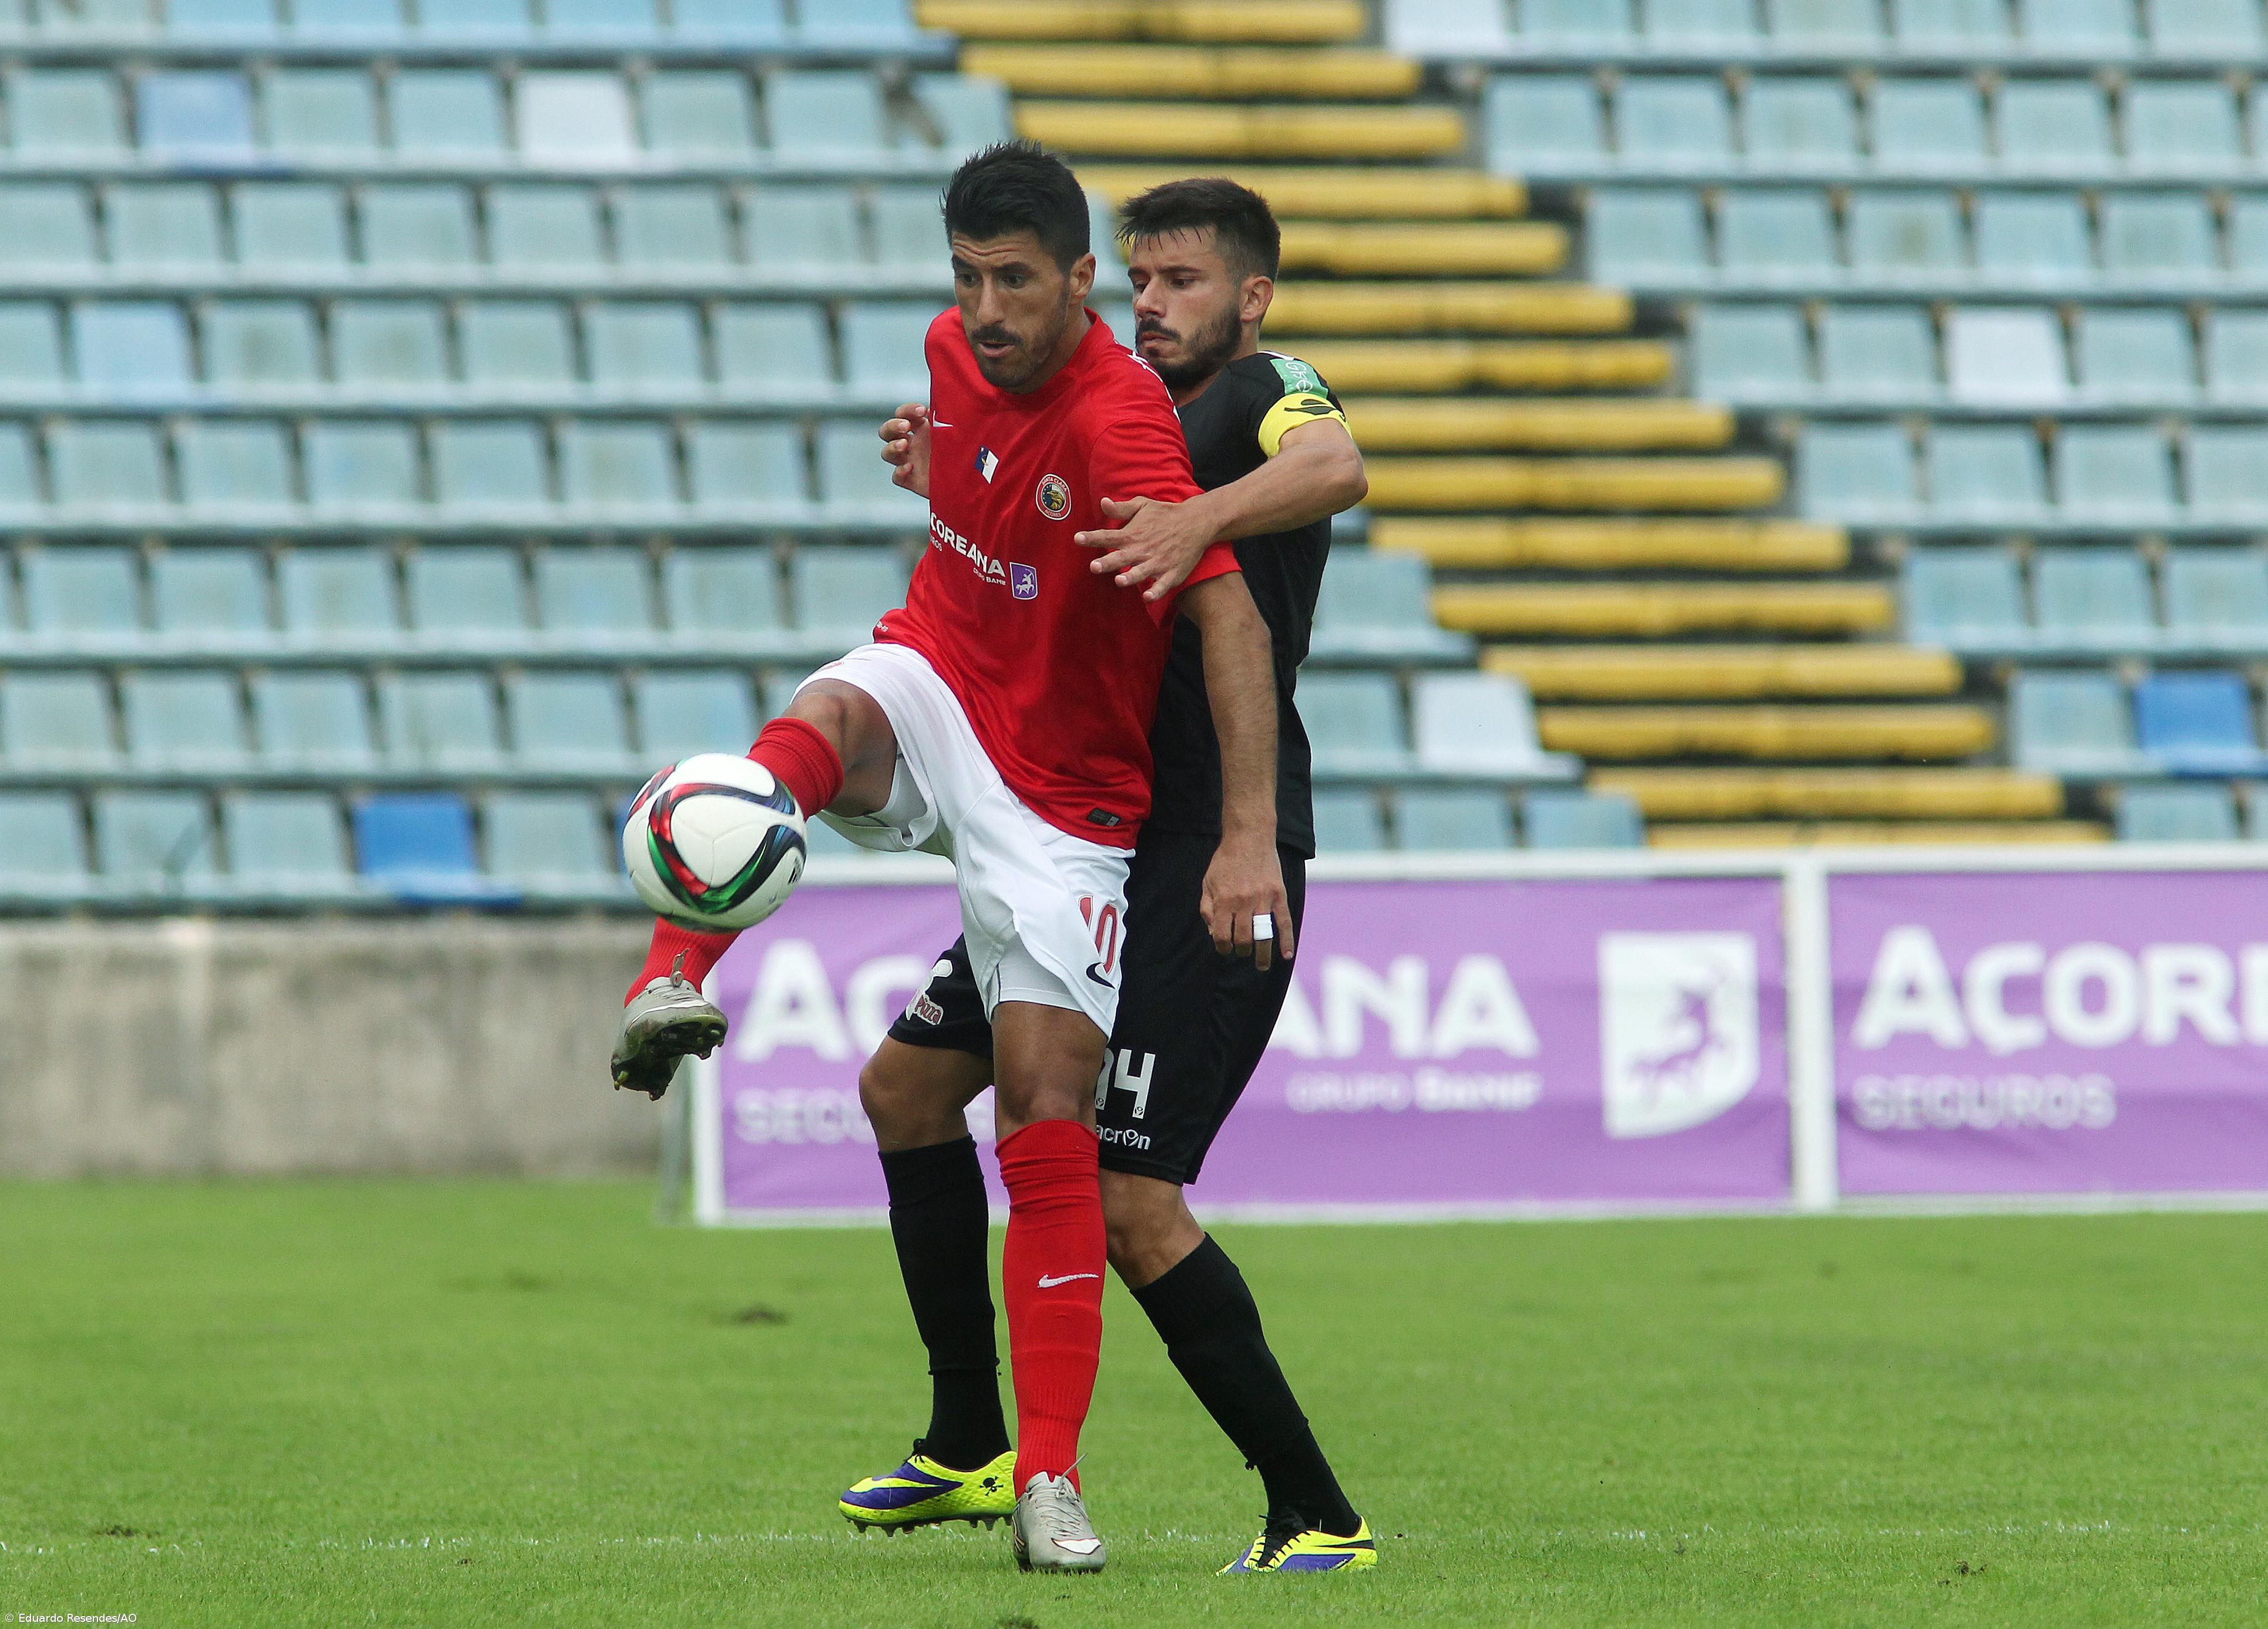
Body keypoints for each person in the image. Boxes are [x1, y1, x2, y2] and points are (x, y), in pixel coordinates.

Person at [606, 142, 1289, 1575]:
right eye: (967, 278)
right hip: (941, 680)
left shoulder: (1125, 422)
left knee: (1042, 1109)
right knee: (823, 716)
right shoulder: (947, 351)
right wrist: (943, 463)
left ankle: (1043, 1481)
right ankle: (665, 981)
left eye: (1016, 281)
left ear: (1078, 281)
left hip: (1066, 798)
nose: (984, 311)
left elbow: (1228, 624)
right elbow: (977, 478)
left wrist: (1243, 833)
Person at [840, 177, 1376, 1576]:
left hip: (1215, 849)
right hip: (1089, 842)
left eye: (1184, 282)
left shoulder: (1268, 388)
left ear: (1251, 297)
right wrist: (948, 467)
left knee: (1132, 1197)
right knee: (904, 1090)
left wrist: (1206, 525)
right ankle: (970, 1442)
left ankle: (1317, 1512)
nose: (1155, 303)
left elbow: (1337, 469)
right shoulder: (1111, 402)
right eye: (1142, 280)